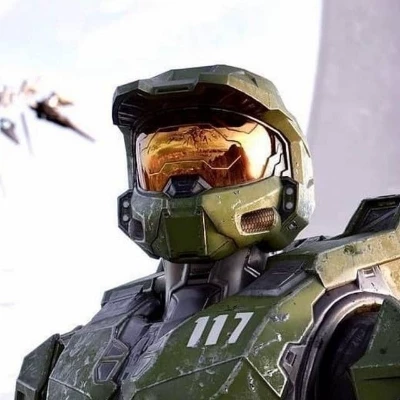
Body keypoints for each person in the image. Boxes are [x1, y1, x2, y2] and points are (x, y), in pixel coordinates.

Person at [15, 65, 400, 400]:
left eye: (223, 162)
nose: (186, 184)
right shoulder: (70, 354)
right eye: (163, 164)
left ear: (285, 171)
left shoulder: (343, 332)